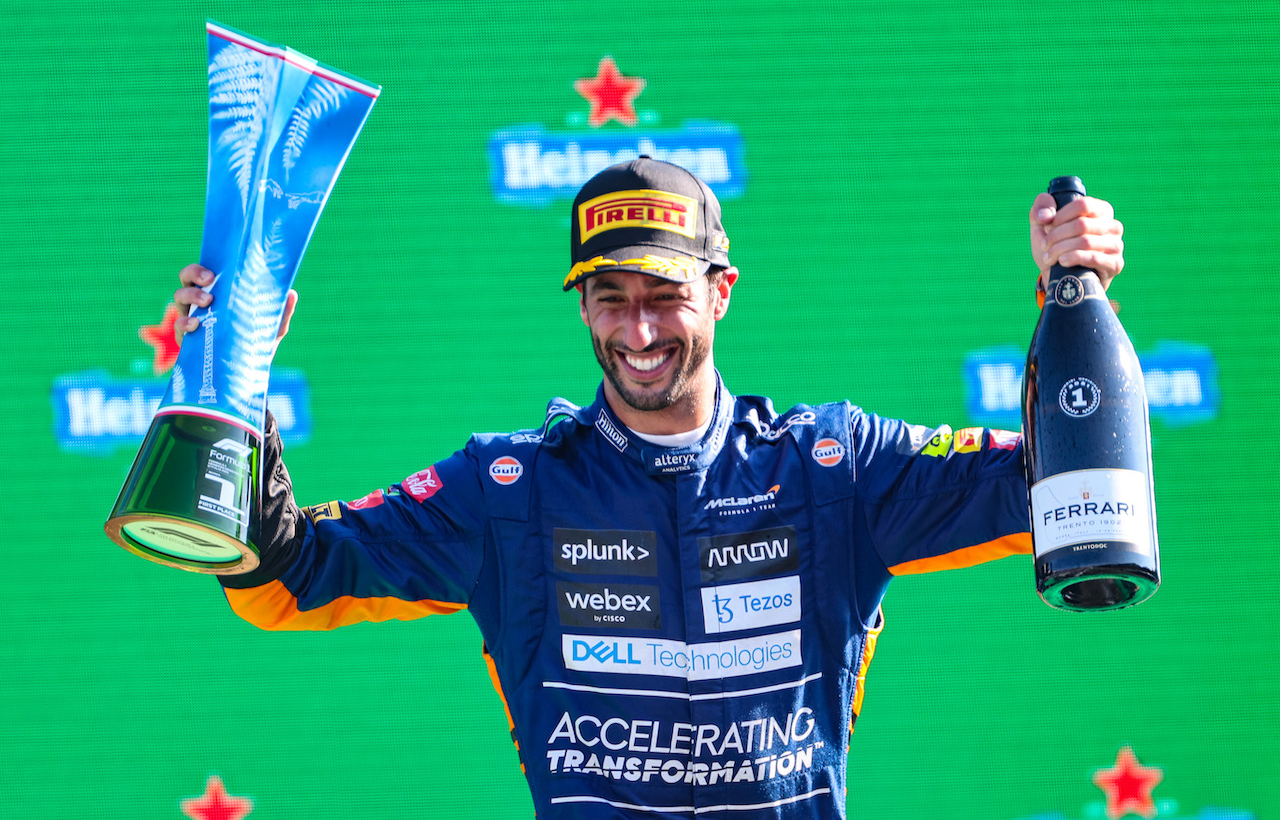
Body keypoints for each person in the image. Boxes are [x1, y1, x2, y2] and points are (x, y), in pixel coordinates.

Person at [175, 156, 1124, 819]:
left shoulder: (831, 468)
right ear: (581, 303)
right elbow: (286, 579)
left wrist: (1072, 293)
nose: (637, 331)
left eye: (664, 294)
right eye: (609, 297)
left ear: (721, 289)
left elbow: (1057, 484)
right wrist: (235, 379)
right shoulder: (510, 490)